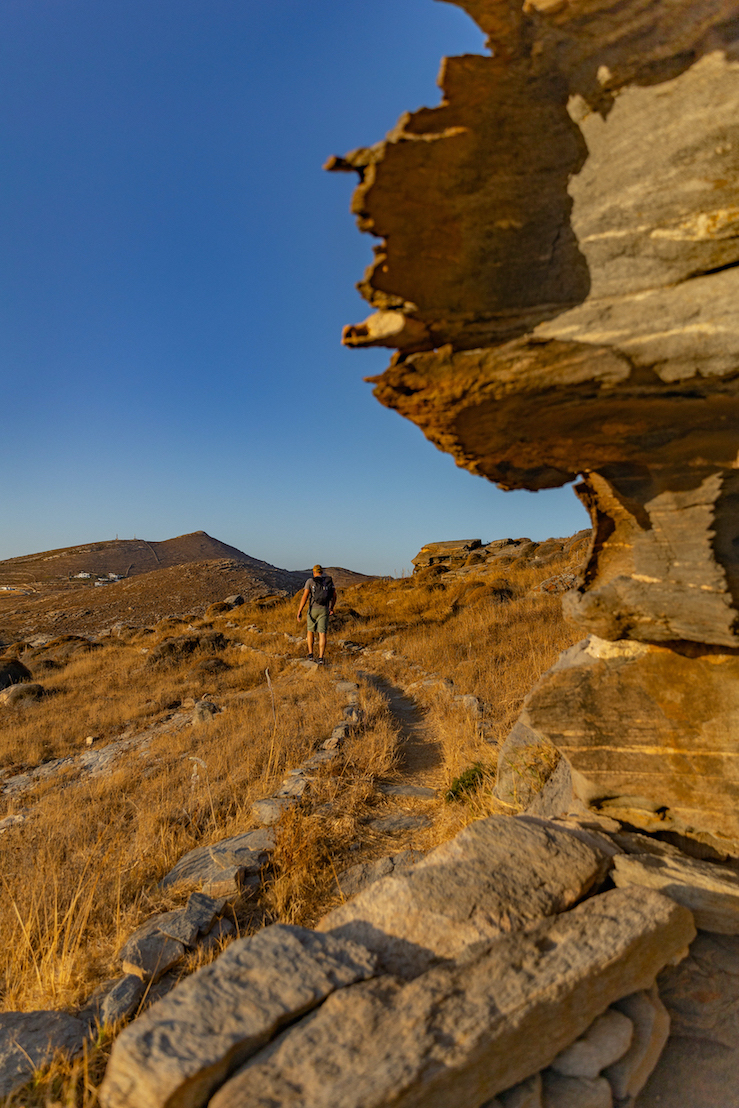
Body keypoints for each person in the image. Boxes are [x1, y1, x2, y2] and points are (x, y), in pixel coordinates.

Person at [297, 564, 336, 664]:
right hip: (324, 609)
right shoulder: (328, 582)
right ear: (322, 572)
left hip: (313, 609)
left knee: (310, 631)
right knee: (322, 633)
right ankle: (321, 657)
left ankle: (310, 654)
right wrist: (331, 607)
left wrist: (299, 611)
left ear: (314, 572)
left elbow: (305, 597)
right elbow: (334, 595)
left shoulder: (310, 581)